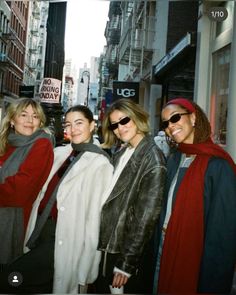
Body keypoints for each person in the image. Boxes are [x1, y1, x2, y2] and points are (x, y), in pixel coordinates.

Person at [0, 105, 114, 294]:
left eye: (79, 123)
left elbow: (95, 219)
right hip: (39, 229)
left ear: (92, 125)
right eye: (68, 124)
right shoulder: (60, 153)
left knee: (11, 278)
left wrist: (87, 268)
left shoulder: (100, 165)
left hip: (64, 238)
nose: (73, 129)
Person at [153, 97, 236, 294]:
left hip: (195, 256)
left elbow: (223, 235)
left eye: (175, 118)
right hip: (164, 249)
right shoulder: (175, 158)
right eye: (165, 123)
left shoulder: (219, 166)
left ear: (193, 117)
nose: (170, 126)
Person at [95, 98, 166, 294]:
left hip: (122, 251)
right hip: (109, 245)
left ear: (137, 118)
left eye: (124, 121)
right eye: (115, 125)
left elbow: (146, 217)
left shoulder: (152, 158)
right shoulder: (123, 151)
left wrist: (127, 262)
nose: (120, 128)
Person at [0, 97, 54, 266]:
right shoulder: (7, 144)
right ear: (12, 120)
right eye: (24, 115)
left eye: (35, 116)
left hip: (16, 223)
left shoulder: (41, 145)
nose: (30, 121)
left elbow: (19, 192)